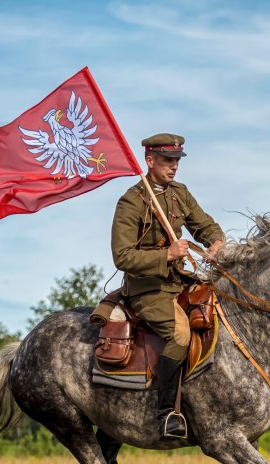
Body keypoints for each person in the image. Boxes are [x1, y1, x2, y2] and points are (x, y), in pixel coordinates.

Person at [111, 133, 224, 438]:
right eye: (168, 161)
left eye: (177, 161)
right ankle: (167, 414)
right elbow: (121, 256)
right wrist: (168, 254)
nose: (175, 167)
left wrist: (216, 241)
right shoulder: (131, 201)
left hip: (179, 283)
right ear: (150, 161)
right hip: (148, 290)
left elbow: (205, 225)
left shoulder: (179, 194)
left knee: (225, 311)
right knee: (180, 334)